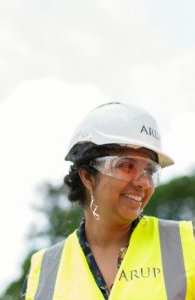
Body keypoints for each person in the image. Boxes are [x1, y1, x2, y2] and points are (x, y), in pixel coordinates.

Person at [21, 102, 195, 300]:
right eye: (127, 166)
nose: (144, 183)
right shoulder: (43, 273)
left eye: (150, 171)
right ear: (87, 176)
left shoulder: (188, 244)